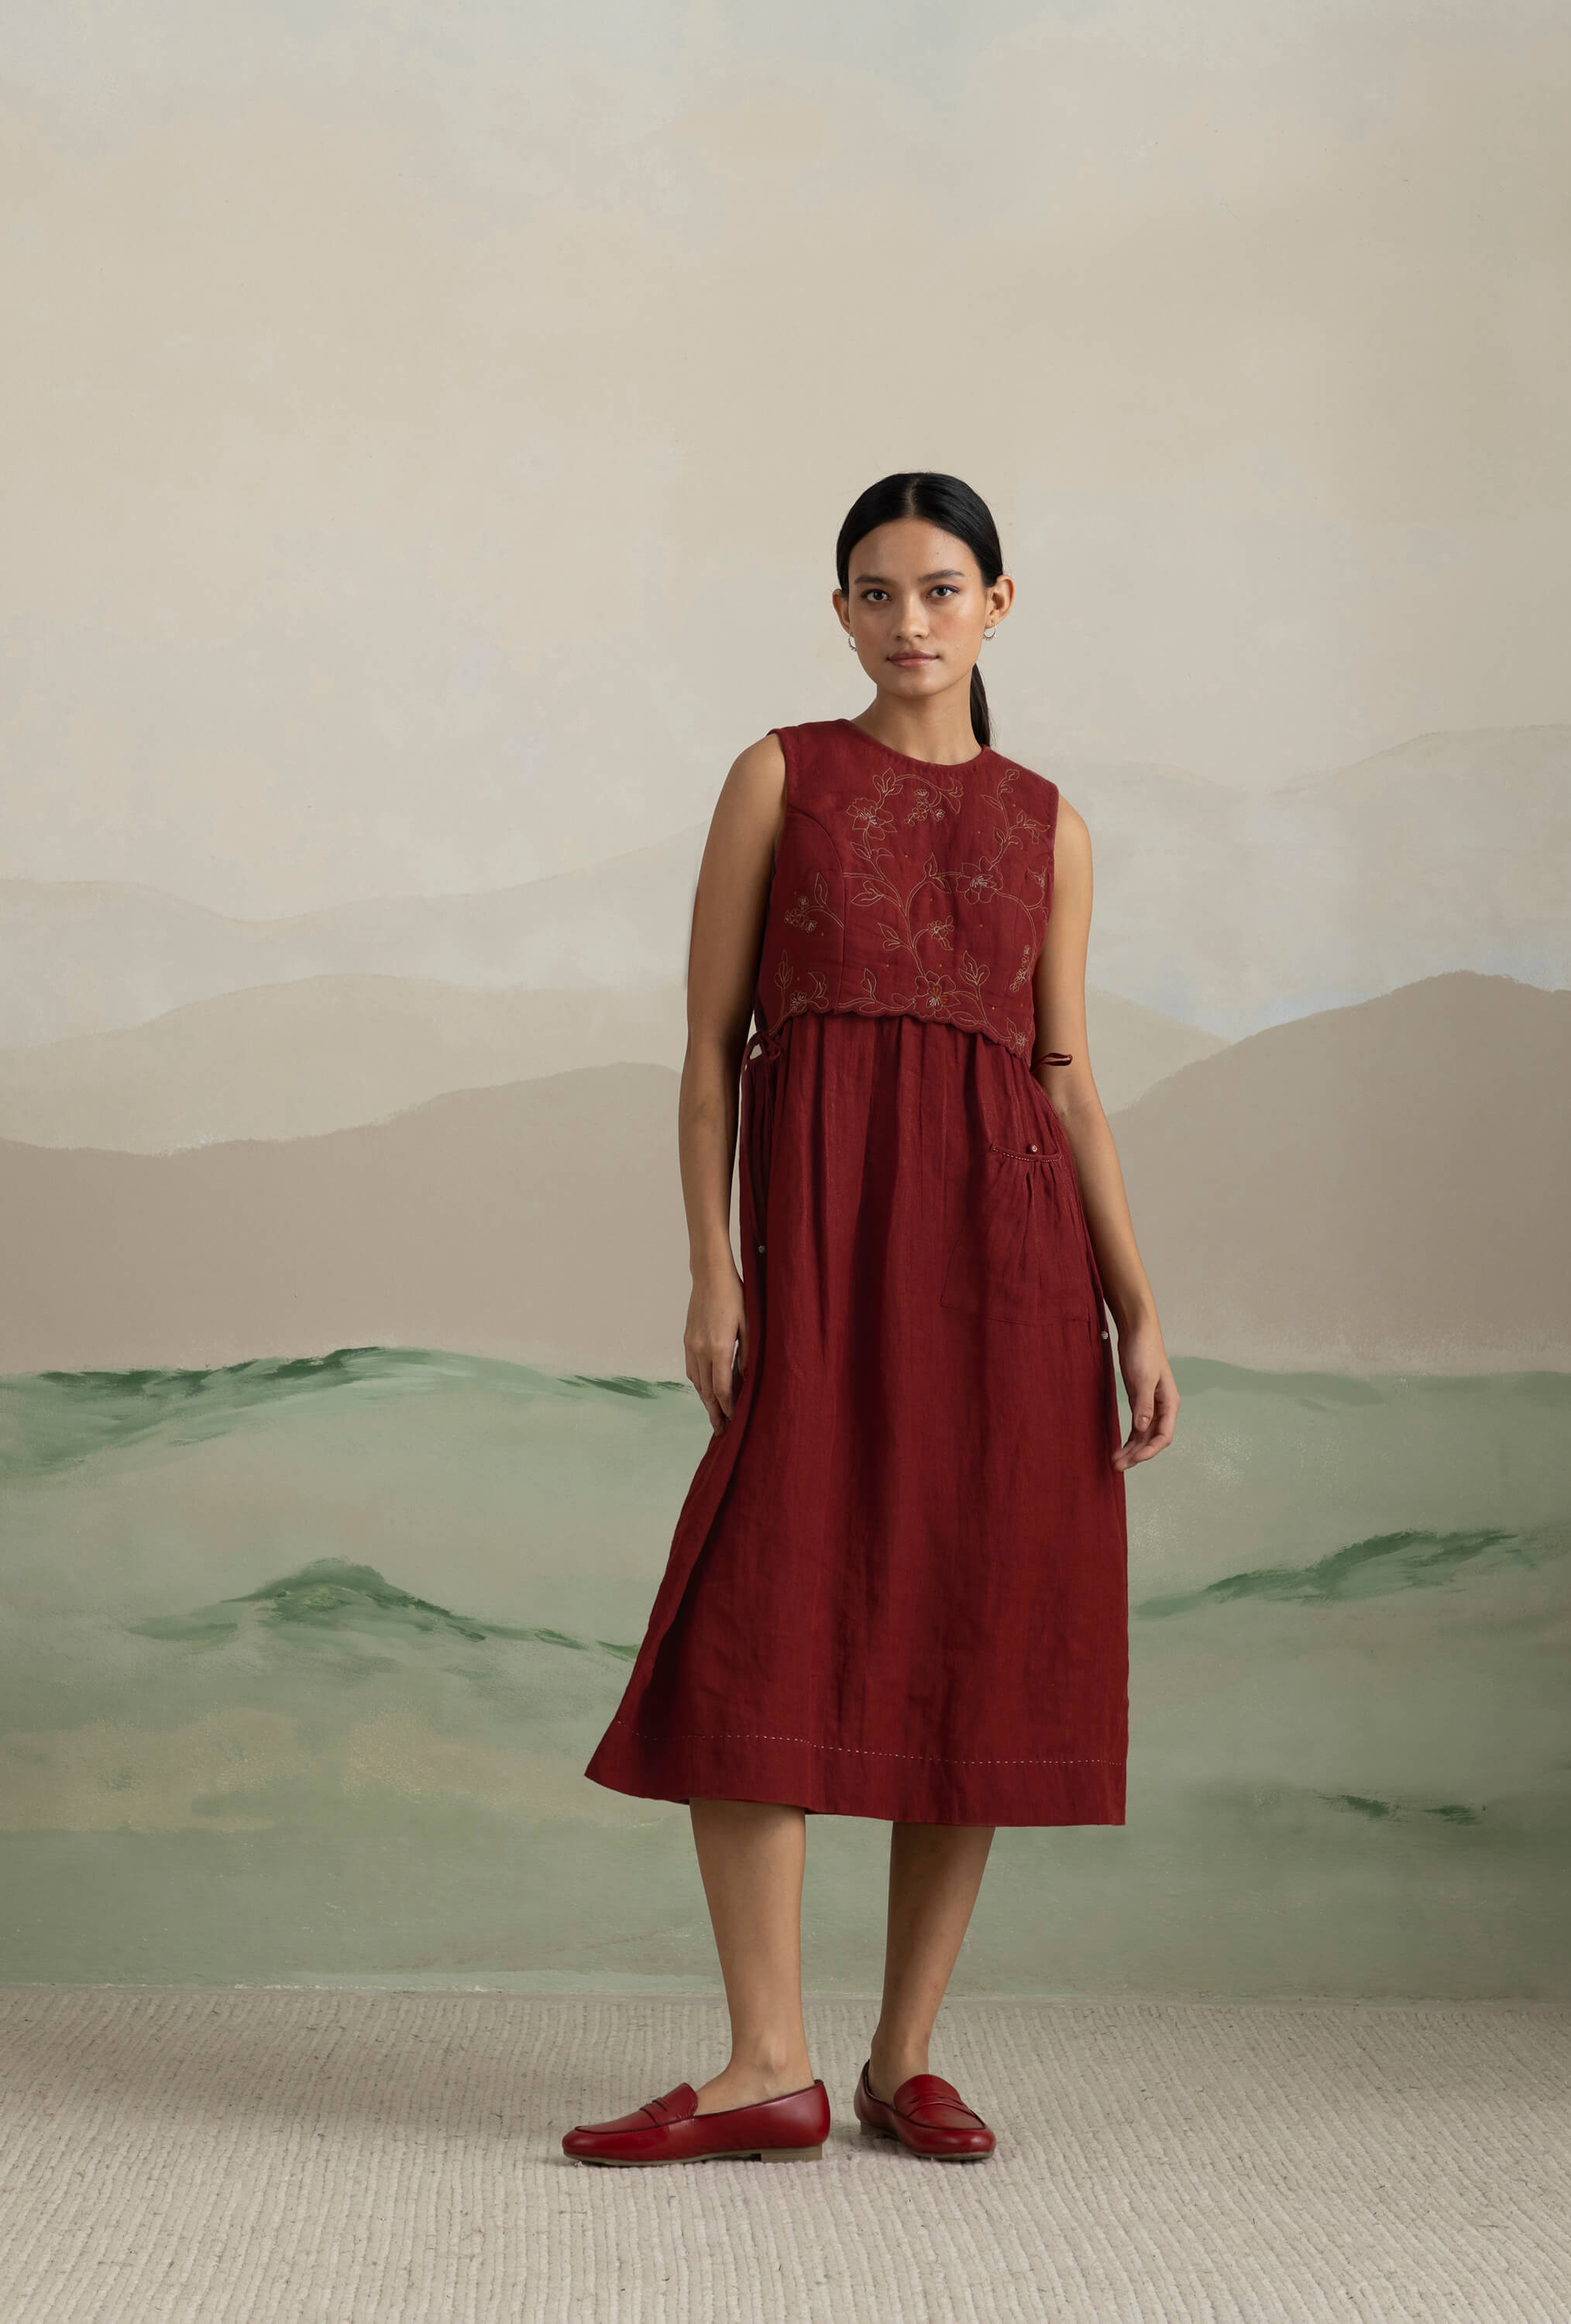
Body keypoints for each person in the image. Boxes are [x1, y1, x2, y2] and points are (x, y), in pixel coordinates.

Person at [567, 472, 1177, 2168]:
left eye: (940, 588)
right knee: (755, 1612)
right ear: (839, 613)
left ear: (999, 603)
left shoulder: (1047, 821)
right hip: (824, 1259)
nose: (910, 620)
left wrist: (1135, 1307)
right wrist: (715, 1266)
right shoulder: (780, 777)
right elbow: (708, 1053)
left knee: (974, 1630)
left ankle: (908, 2057)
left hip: (1011, 1274)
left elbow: (1063, 1069)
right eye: (876, 591)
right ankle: (769, 2057)